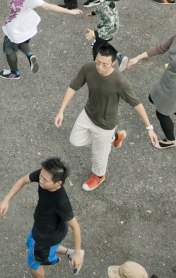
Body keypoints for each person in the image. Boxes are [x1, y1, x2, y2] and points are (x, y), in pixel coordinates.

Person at [53, 43, 159, 192]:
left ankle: (99, 175)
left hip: (105, 124)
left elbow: (137, 104)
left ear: (113, 63)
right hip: (88, 114)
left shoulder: (120, 82)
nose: (100, 67)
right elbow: (73, 86)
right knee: (74, 141)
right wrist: (61, 111)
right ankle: (113, 138)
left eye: (105, 64)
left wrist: (150, 128)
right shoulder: (88, 68)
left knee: (99, 155)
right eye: (98, 62)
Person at [126, 20, 176, 149]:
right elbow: (160, 48)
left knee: (162, 112)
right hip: (168, 80)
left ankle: (171, 140)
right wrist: (138, 58)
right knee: (153, 98)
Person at [0, 158, 84, 276]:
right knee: (30, 243)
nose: (40, 180)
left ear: (58, 183)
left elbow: (75, 227)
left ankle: (59, 256)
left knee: (34, 266)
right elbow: (23, 180)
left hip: (47, 236)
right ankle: (68, 253)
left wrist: (78, 255)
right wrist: (6, 199)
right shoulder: (44, 174)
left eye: (45, 180)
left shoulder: (61, 202)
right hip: (40, 225)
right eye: (41, 176)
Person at [84, 0, 126, 68]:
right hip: (108, 30)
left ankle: (98, 64)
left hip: (107, 31)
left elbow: (109, 25)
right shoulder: (107, 1)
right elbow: (100, 7)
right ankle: (119, 55)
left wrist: (95, 33)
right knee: (103, 43)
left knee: (96, 47)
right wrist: (93, 13)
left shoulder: (107, 10)